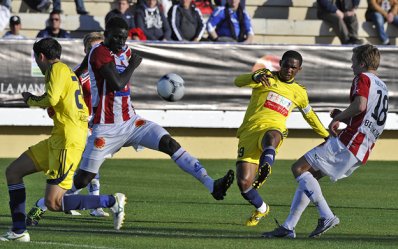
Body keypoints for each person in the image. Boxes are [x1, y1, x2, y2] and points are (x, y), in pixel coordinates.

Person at [72, 16, 234, 207]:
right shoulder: (100, 53)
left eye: (123, 38)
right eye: (116, 37)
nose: (120, 42)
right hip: (106, 128)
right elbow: (116, 84)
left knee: (169, 143)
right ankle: (45, 203)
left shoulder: (125, 50)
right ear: (106, 35)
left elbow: (86, 69)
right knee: (83, 179)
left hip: (131, 122)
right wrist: (132, 65)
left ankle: (212, 184)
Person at [0, 38, 126, 242]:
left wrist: (30, 99)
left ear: (41, 56)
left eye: (36, 59)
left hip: (67, 141)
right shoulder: (64, 71)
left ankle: (111, 201)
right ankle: (18, 231)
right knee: (13, 172)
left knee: (54, 203)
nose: (37, 64)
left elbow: (51, 99)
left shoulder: (56, 70)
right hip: (59, 138)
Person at [262, 44, 388, 238]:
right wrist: (345, 117)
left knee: (299, 169)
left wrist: (338, 119)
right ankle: (288, 227)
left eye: (353, 62)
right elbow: (367, 114)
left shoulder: (362, 78)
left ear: (362, 63)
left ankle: (326, 216)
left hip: (351, 140)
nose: (351, 66)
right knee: (309, 177)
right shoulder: (382, 86)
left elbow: (360, 105)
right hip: (364, 145)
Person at [234, 50, 329, 227]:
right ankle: (262, 208)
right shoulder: (266, 77)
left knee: (273, 135)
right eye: (286, 65)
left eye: (293, 67)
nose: (289, 69)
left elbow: (310, 116)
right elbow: (237, 81)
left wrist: (326, 135)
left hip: (273, 129)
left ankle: (267, 164)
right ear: (280, 63)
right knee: (244, 183)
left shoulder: (299, 92)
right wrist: (254, 77)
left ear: (299, 69)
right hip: (250, 131)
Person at [26, 33, 109, 225]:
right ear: (86, 51)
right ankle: (52, 203)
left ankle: (53, 203)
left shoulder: (105, 70)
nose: (95, 51)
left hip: (100, 123)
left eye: (99, 47)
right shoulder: (79, 73)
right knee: (88, 168)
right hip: (81, 125)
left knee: (90, 167)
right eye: (92, 48)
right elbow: (60, 100)